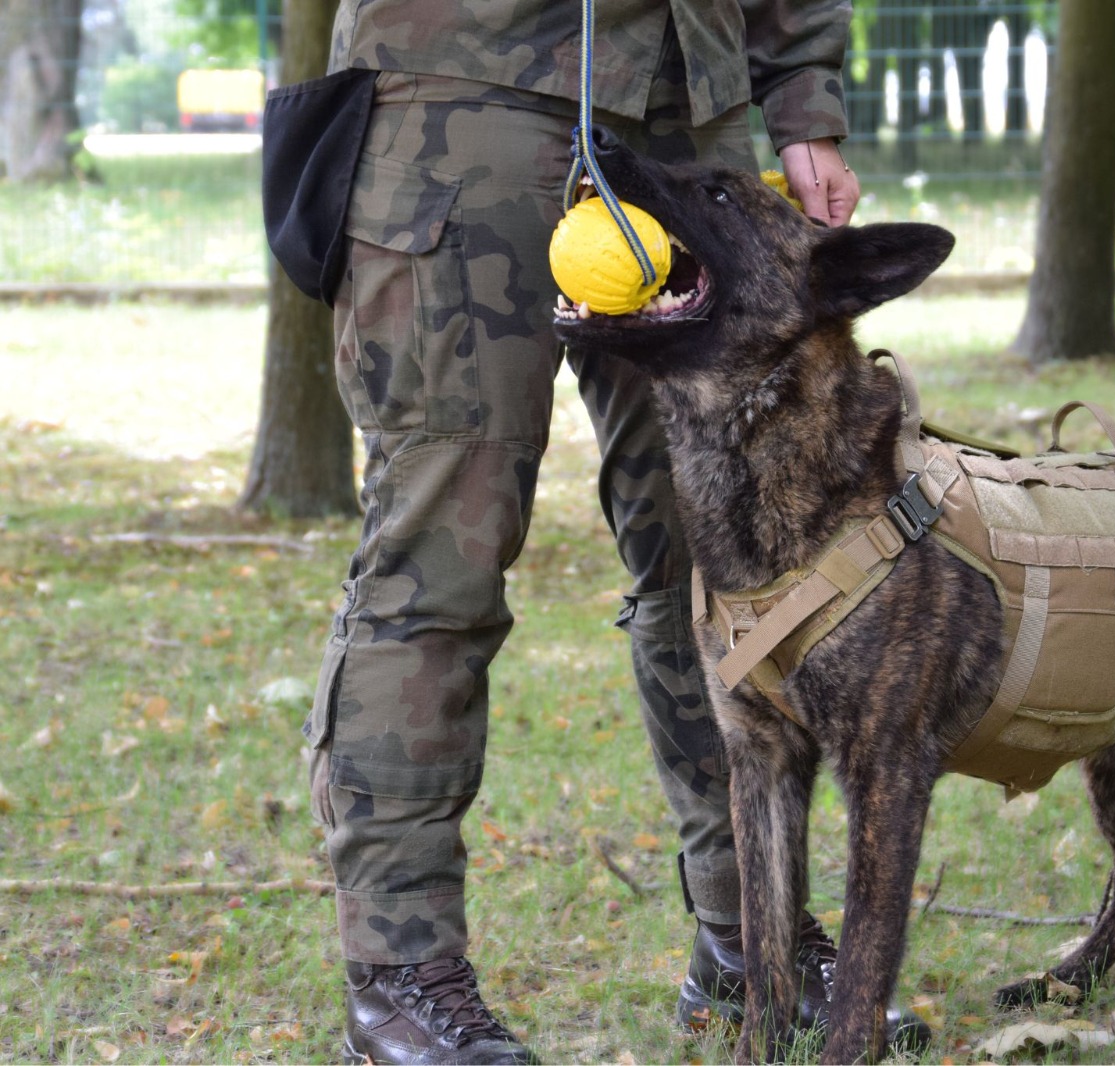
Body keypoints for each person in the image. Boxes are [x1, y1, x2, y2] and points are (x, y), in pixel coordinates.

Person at [285, 1, 928, 1062]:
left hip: (690, 113)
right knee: (439, 552)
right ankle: (402, 978)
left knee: (728, 562)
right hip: (464, 100)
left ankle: (750, 939)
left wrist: (803, 100)